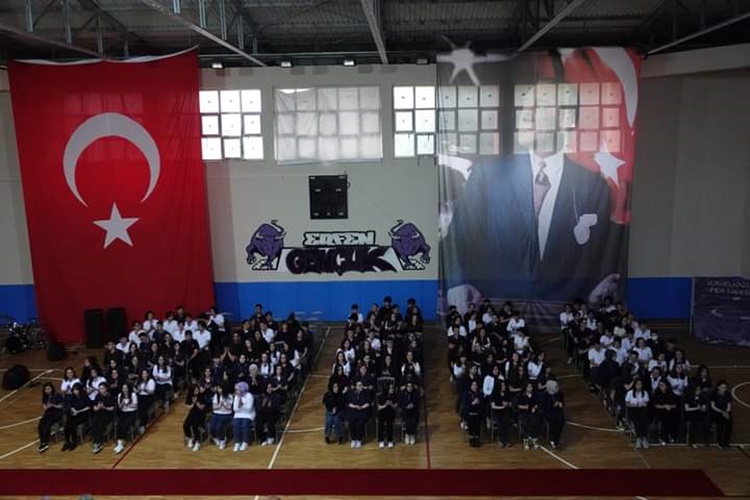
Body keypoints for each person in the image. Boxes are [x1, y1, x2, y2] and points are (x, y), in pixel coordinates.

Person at [444, 105, 621, 314]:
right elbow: (459, 234)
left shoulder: (593, 185)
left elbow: (601, 249)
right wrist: (457, 283)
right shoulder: (486, 174)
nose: (526, 115)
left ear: (565, 120)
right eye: (525, 108)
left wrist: (597, 286)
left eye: (540, 106)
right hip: (494, 305)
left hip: (564, 309)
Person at [62, 383, 90, 451]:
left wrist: (79, 411)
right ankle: (67, 441)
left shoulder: (85, 397)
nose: (75, 392)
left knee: (72, 425)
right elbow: (70, 405)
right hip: (74, 414)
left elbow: (88, 407)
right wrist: (73, 409)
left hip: (82, 414)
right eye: (74, 390)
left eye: (76, 390)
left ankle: (74, 442)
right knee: (67, 426)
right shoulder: (72, 397)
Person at [90, 382, 116, 454]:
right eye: (100, 389)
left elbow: (113, 408)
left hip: (107, 414)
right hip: (99, 413)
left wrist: (105, 407)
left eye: (102, 388)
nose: (101, 390)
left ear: (106, 389)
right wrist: (98, 407)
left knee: (101, 424)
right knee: (94, 423)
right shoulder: (98, 396)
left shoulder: (110, 396)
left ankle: (99, 442)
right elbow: (94, 408)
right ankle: (96, 441)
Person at [37, 382, 64, 453]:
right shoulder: (45, 398)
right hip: (48, 412)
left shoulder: (58, 395)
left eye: (48, 389)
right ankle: (42, 441)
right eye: (46, 389)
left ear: (52, 388)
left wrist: (53, 405)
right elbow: (45, 408)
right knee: (41, 424)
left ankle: (44, 442)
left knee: (48, 425)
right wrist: (47, 406)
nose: (47, 390)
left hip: (57, 412)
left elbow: (61, 406)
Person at [183, 383, 209, 452]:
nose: (197, 391)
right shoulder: (189, 396)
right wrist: (193, 403)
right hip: (192, 413)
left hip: (200, 413)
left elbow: (202, 407)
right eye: (195, 390)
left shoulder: (201, 396)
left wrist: (197, 403)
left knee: (195, 426)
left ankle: (197, 442)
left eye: (197, 390)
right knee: (185, 425)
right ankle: (190, 438)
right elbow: (188, 407)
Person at [540, 379, 566, 449]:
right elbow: (544, 407)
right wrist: (553, 405)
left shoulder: (559, 393)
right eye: (556, 387)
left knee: (561, 422)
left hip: (558, 412)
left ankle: (557, 439)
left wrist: (561, 404)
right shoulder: (544, 395)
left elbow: (563, 402)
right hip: (549, 413)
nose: (558, 388)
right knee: (553, 424)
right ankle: (552, 440)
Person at [114, 382, 138, 454]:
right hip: (123, 412)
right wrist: (122, 403)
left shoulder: (133, 395)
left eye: (126, 388)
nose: (125, 390)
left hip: (131, 412)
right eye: (123, 388)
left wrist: (128, 404)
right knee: (119, 424)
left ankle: (122, 440)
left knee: (126, 424)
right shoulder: (120, 395)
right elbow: (120, 407)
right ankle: (119, 441)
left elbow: (135, 405)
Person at [625, 378, 650, 449]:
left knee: (644, 421)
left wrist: (642, 404)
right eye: (638, 384)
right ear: (635, 385)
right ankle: (638, 438)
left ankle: (644, 438)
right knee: (637, 422)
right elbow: (627, 404)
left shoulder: (645, 393)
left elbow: (646, 403)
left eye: (641, 384)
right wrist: (635, 405)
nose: (639, 386)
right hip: (633, 410)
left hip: (642, 410)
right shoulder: (630, 393)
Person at [347, 380, 371, 449]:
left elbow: (368, 403)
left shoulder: (366, 393)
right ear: (356, 386)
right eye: (359, 385)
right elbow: (349, 403)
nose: (361, 387)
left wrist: (362, 407)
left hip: (362, 411)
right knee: (351, 423)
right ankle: (353, 439)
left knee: (360, 424)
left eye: (361, 385)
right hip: (353, 411)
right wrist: (355, 406)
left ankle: (359, 439)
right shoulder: (351, 393)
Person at [210, 383, 234, 449]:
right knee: (212, 427)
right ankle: (215, 438)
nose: (218, 390)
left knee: (219, 426)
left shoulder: (229, 396)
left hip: (226, 414)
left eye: (220, 388)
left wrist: (224, 405)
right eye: (218, 388)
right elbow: (214, 407)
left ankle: (222, 440)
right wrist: (220, 405)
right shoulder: (216, 396)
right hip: (216, 414)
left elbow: (229, 408)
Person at [232, 381, 255, 452]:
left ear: (242, 389)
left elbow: (249, 409)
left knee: (244, 424)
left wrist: (241, 405)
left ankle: (245, 442)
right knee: (236, 424)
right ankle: (237, 443)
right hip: (238, 415)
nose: (236, 391)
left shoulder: (249, 396)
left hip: (248, 415)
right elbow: (235, 409)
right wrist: (242, 406)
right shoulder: (236, 397)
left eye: (237, 390)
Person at [490, 380, 513, 448]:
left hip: (506, 412)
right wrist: (502, 407)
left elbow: (511, 403)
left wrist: (508, 404)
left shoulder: (507, 393)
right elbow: (493, 406)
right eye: (502, 385)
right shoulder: (494, 394)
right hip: (497, 412)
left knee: (506, 421)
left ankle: (506, 439)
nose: (504, 387)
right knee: (501, 421)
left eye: (504, 385)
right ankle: (502, 440)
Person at [711, 380, 733, 449]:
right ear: (718, 387)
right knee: (720, 427)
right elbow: (713, 406)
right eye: (722, 387)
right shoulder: (714, 394)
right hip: (717, 412)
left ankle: (726, 442)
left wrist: (727, 412)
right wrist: (721, 412)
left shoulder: (728, 394)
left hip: (726, 411)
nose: (724, 389)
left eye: (725, 387)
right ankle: (719, 442)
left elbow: (729, 405)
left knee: (729, 426)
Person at [462, 379, 484, 447]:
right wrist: (473, 403)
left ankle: (477, 438)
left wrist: (479, 403)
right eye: (473, 385)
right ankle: (471, 437)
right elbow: (465, 406)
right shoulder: (466, 394)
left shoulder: (480, 394)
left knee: (477, 421)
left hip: (477, 413)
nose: (474, 387)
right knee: (471, 421)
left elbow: (482, 406)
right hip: (469, 413)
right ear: (470, 386)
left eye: (475, 385)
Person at [376, 384, 398, 449]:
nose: (392, 389)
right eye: (390, 388)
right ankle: (381, 441)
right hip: (382, 413)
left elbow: (395, 406)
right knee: (381, 426)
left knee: (389, 426)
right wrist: (385, 405)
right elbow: (379, 407)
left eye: (392, 388)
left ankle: (390, 441)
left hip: (390, 413)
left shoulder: (395, 396)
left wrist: (391, 404)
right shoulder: (380, 396)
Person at [399, 380, 421, 446]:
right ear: (406, 387)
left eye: (411, 386)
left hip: (414, 411)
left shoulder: (416, 393)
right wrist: (406, 406)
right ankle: (407, 435)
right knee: (407, 422)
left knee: (413, 421)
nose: (410, 388)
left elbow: (418, 403)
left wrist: (413, 405)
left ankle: (412, 435)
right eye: (408, 386)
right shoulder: (403, 393)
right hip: (405, 411)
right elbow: (400, 402)